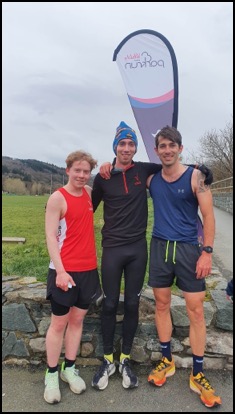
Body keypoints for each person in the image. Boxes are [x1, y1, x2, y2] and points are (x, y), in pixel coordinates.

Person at [91, 121, 212, 391]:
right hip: (116, 248)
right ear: (115, 146)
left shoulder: (145, 170)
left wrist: (201, 170)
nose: (126, 147)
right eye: (121, 143)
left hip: (144, 249)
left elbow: (175, 167)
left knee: (138, 304)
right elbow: (86, 207)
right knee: (115, 304)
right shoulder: (104, 177)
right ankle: (110, 359)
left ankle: (129, 361)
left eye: (131, 143)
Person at [146, 126, 222, 408]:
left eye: (171, 145)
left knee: (196, 309)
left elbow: (208, 215)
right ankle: (166, 360)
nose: (167, 150)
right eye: (162, 146)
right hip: (160, 247)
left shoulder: (196, 177)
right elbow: (124, 172)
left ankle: (198, 373)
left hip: (190, 249)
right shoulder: (152, 178)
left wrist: (207, 253)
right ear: (156, 150)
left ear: (180, 148)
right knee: (162, 304)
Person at [44, 150, 102, 404]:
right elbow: (50, 237)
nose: (81, 175)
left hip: (88, 269)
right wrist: (60, 270)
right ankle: (52, 373)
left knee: (77, 321)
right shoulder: (58, 197)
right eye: (76, 170)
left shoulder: (89, 193)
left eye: (86, 171)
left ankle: (69, 368)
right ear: (67, 170)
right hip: (64, 271)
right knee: (59, 324)